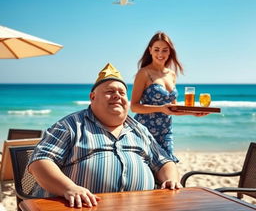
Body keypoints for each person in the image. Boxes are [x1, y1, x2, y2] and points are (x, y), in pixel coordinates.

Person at [28, 63, 182, 208]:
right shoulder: (71, 125)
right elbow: (40, 161)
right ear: (93, 97)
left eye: (122, 92)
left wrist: (171, 180)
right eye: (110, 91)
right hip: (77, 207)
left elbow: (164, 162)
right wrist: (69, 188)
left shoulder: (139, 129)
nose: (117, 96)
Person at [130, 32, 206, 159]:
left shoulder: (172, 74)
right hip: (144, 130)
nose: (160, 54)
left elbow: (173, 108)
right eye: (157, 50)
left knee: (169, 163)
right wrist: (160, 108)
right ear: (150, 50)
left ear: (169, 52)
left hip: (165, 132)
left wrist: (193, 112)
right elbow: (134, 107)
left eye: (164, 50)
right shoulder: (144, 73)